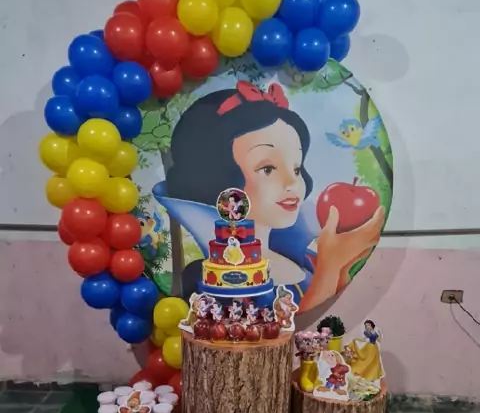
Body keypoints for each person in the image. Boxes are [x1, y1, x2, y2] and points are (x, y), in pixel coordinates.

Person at [154, 80, 384, 314]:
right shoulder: (223, 279)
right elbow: (273, 328)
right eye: (268, 169)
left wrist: (340, 266)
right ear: (216, 178)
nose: (292, 182)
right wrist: (330, 267)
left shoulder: (309, 259)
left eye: (296, 168)